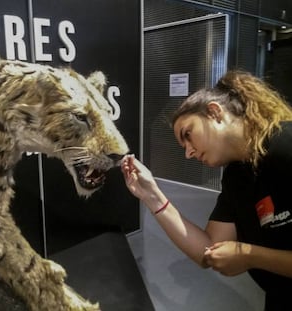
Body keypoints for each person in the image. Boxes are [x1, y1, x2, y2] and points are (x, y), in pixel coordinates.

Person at [121, 70, 292, 311]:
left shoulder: (286, 144)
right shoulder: (237, 176)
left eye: (188, 135)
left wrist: (250, 256)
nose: (188, 153)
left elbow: (245, 255)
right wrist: (152, 195)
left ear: (214, 112)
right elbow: (207, 249)